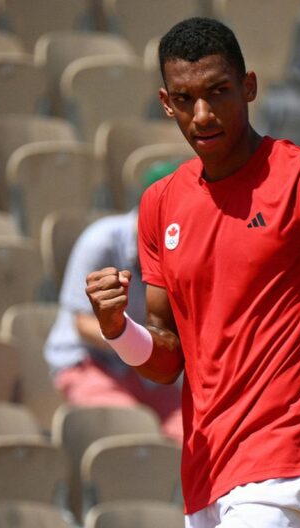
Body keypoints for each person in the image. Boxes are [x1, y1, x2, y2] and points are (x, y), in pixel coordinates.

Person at [85, 17, 300, 528]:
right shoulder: (159, 205)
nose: (202, 115)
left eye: (218, 92)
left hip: (293, 465)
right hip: (206, 476)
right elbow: (166, 359)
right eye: (185, 100)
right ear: (166, 103)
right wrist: (117, 330)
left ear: (248, 87)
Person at [45, 162, 183, 441]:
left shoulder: (179, 249)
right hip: (89, 363)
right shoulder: (101, 241)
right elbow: (81, 323)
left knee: (197, 434)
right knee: (135, 432)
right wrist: (130, 341)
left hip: (146, 371)